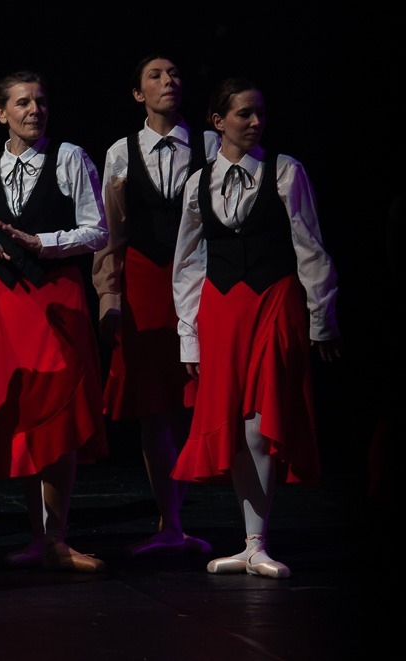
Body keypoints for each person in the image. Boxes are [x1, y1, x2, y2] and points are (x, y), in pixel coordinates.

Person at [171, 77, 340, 579]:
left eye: (260, 114)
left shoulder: (285, 172)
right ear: (217, 122)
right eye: (244, 114)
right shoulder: (198, 183)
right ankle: (247, 543)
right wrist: (189, 333)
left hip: (272, 302)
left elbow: (311, 248)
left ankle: (259, 542)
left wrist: (322, 320)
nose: (255, 122)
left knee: (258, 427)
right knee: (236, 430)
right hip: (221, 309)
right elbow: (187, 262)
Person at [0, 70, 109, 573]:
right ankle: (37, 536)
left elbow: (96, 231)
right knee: (21, 411)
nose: (34, 111)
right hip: (6, 299)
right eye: (22, 103)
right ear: (1, 112)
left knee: (56, 412)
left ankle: (58, 537)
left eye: (41, 102)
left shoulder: (69, 157)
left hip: (55, 294)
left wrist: (43, 243)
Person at [93, 55, 218, 557]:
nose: (170, 81)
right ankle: (170, 521)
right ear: (138, 94)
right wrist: (109, 296)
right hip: (145, 281)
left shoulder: (210, 145)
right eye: (155, 76)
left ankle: (180, 517)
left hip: (202, 279)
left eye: (175, 74)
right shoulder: (121, 153)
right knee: (154, 407)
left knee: (193, 396)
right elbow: (110, 232)